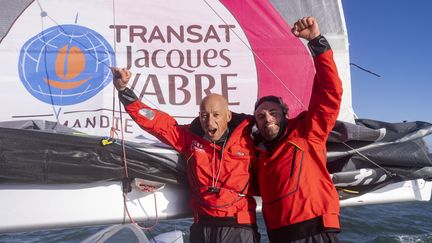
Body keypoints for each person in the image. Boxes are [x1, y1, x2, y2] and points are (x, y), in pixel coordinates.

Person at [111, 68, 260, 243]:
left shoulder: (250, 138)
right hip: (202, 227)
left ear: (228, 116)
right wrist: (124, 91)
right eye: (204, 115)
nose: (209, 121)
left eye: (216, 115)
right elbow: (155, 122)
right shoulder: (189, 137)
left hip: (239, 228)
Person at [253, 16, 343, 243]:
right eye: (261, 116)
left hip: (316, 233)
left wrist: (316, 41)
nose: (267, 119)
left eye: (273, 113)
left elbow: (330, 92)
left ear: (285, 114)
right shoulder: (259, 154)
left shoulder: (307, 133)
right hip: (278, 237)